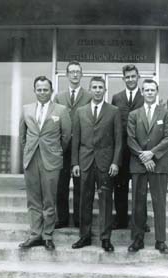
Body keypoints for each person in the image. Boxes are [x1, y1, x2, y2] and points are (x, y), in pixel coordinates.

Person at [19, 76, 71, 251]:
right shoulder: (26, 109)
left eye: (45, 89)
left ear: (51, 91)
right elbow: (22, 136)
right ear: (35, 91)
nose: (42, 92)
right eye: (39, 89)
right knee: (33, 200)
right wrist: (28, 152)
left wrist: (55, 151)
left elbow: (66, 136)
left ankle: (47, 236)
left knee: (49, 199)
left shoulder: (61, 110)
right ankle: (35, 235)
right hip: (31, 158)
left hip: (51, 159)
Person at [71, 76, 122, 252]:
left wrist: (115, 162)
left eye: (101, 87)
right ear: (90, 89)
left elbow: (118, 141)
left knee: (106, 201)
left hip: (105, 163)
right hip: (85, 162)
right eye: (95, 87)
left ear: (105, 90)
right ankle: (84, 237)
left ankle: (105, 238)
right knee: (84, 200)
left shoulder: (114, 111)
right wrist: (75, 163)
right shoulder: (80, 111)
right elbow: (75, 140)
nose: (98, 90)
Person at [127, 79, 168, 254]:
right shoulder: (134, 114)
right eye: (146, 90)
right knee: (137, 204)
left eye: (152, 90)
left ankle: (160, 240)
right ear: (142, 92)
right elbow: (130, 140)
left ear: (157, 92)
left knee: (159, 203)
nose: (149, 93)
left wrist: (152, 153)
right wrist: (144, 157)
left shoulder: (166, 113)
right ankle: (138, 240)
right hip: (139, 165)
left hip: (159, 165)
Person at [111, 64, 149, 232]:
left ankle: (141, 221)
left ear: (138, 76)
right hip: (121, 151)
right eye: (127, 77)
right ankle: (120, 220)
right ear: (123, 79)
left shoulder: (146, 97)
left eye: (133, 76)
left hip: (140, 150)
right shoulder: (116, 98)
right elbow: (114, 124)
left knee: (140, 189)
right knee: (120, 187)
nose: (131, 79)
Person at [54, 61, 92, 229]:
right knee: (61, 185)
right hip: (62, 148)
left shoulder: (89, 96)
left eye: (78, 72)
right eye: (72, 72)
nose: (75, 75)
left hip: (81, 148)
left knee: (80, 186)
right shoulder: (59, 97)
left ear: (81, 75)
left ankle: (78, 219)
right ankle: (62, 218)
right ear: (67, 75)